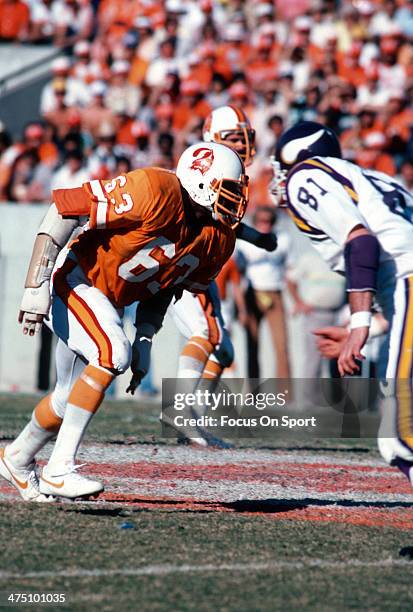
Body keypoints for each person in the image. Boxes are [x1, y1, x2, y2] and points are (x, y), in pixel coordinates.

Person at [0, 141, 249, 502]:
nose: (235, 200)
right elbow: (63, 209)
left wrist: (145, 338)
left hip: (106, 300)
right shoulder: (154, 189)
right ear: (199, 180)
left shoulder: (218, 238)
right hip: (75, 278)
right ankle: (58, 469)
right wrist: (35, 284)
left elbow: (166, 287)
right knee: (112, 352)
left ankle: (17, 458)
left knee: (67, 397)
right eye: (226, 189)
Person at [270, 119, 413, 485]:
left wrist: (359, 325)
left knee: (399, 434)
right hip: (404, 288)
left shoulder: (306, 174)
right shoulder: (374, 180)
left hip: (408, 283)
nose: (281, 177)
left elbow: (361, 242)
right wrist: (365, 325)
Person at [164, 106, 277, 446]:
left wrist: (257, 238)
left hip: (201, 268)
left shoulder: (230, 173)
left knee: (224, 351)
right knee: (204, 332)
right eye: (232, 138)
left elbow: (227, 218)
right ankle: (180, 411)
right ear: (212, 141)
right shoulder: (199, 172)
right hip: (184, 267)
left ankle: (192, 419)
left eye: (245, 138)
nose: (242, 145)